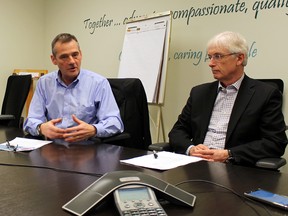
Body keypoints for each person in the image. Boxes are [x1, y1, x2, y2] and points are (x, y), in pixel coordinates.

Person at [169, 31, 287, 166]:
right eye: (210, 57)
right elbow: (177, 131)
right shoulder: (199, 93)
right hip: (196, 165)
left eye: (218, 56)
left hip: (236, 169)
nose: (211, 63)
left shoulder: (265, 94)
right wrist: (191, 149)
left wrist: (229, 154)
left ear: (239, 58)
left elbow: (275, 142)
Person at [24, 33, 124, 143]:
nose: (72, 61)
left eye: (75, 55)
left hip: (87, 151)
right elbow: (31, 120)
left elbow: (115, 122)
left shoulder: (99, 83)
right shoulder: (44, 83)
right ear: (54, 60)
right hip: (54, 150)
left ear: (81, 54)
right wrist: (41, 128)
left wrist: (94, 129)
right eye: (64, 57)